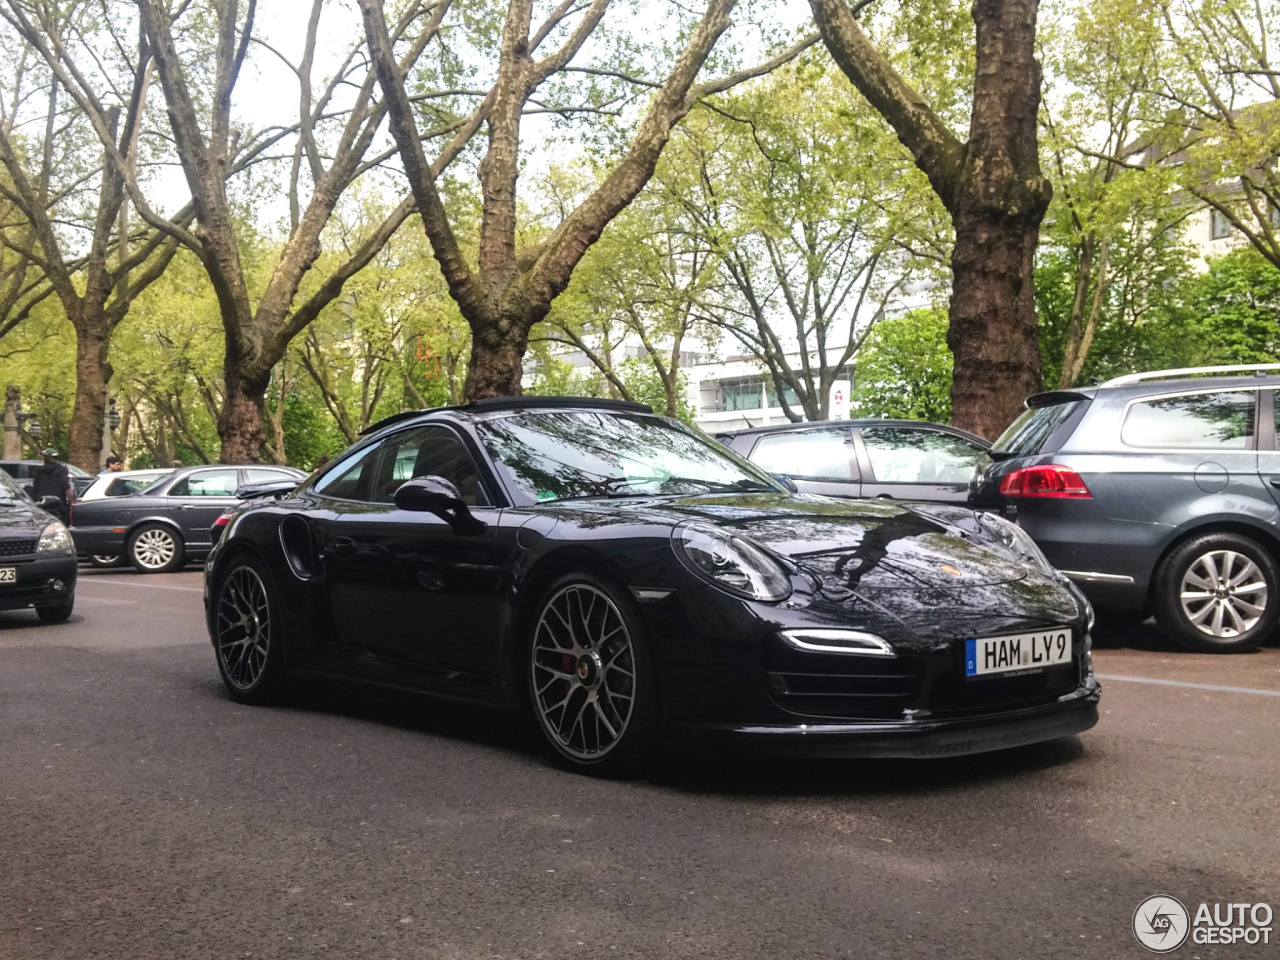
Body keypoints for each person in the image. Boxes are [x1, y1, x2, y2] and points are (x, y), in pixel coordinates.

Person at [31, 447, 73, 525]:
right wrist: (72, 502)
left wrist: (35, 501)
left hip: (41, 505)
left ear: (46, 457)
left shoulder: (38, 470)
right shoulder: (62, 470)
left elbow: (35, 488)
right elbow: (66, 487)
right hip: (58, 506)